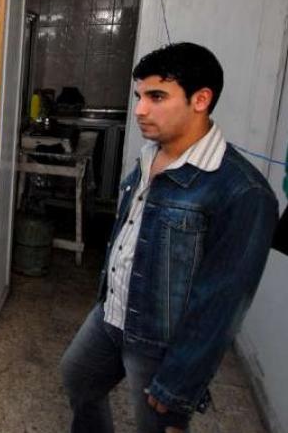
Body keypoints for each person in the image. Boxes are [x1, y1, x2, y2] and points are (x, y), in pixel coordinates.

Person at [60, 42, 278, 432]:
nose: (140, 110)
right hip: (112, 315)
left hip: (161, 341)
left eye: (157, 97)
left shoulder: (243, 191)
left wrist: (183, 377)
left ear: (201, 99)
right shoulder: (149, 155)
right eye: (139, 96)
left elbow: (223, 302)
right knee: (79, 377)